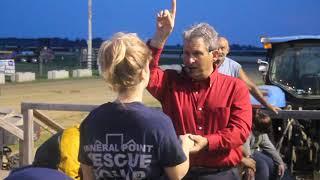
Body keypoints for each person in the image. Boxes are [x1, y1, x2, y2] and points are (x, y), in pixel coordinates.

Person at [147, 0, 252, 179]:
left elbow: (240, 131)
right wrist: (160, 37)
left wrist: (207, 142)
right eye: (186, 53)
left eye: (197, 53)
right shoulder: (170, 83)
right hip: (179, 174)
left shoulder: (235, 88)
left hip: (222, 174)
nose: (189, 60)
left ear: (215, 55)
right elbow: (144, 72)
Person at [78, 32, 194, 180]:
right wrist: (186, 145)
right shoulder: (158, 123)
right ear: (144, 72)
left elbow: (88, 176)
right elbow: (177, 174)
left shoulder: (91, 121)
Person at [217, 37, 281, 114]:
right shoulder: (205, 64)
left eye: (222, 48)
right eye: (217, 48)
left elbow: (251, 87)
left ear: (228, 50)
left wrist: (267, 105)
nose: (219, 51)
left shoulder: (233, 66)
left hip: (225, 110)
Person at [241, 110, 288, 180]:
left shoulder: (262, 133)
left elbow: (270, 148)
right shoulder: (247, 132)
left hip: (253, 151)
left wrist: (280, 162)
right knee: (262, 167)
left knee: (272, 163)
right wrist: (249, 167)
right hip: (244, 154)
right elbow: (246, 151)